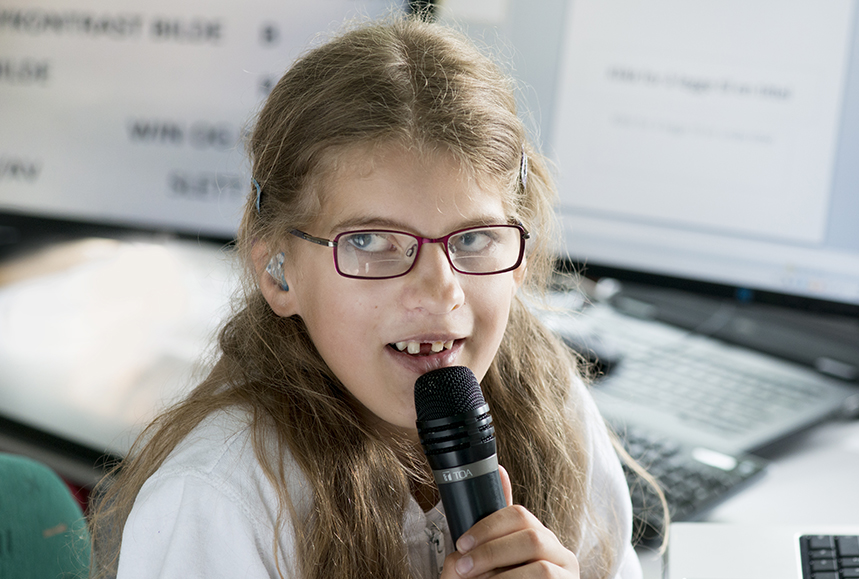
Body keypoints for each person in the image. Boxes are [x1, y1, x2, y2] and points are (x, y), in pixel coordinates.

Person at [89, 14, 654, 579]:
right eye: (370, 241)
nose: (440, 289)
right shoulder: (217, 501)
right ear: (280, 274)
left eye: (476, 238)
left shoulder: (556, 410)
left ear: (520, 258)